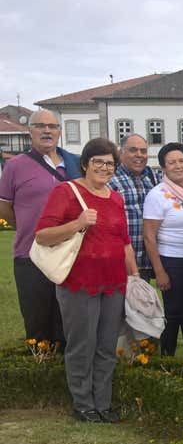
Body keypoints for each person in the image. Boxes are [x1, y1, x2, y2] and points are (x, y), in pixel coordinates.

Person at [35, 138, 138, 423]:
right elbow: (42, 235)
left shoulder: (115, 197)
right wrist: (77, 223)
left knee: (106, 345)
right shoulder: (66, 192)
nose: (105, 168)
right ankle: (83, 403)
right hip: (79, 283)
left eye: (110, 164)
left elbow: (124, 241)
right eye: (99, 162)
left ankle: (102, 402)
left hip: (114, 283)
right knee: (82, 343)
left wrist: (135, 275)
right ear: (85, 163)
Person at [0, 109, 80, 346]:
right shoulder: (16, 165)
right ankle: (39, 376)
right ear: (29, 130)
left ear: (59, 131)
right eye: (40, 126)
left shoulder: (75, 163)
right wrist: (28, 228)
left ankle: (68, 377)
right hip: (31, 255)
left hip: (71, 254)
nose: (47, 131)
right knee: (38, 323)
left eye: (52, 126)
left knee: (70, 323)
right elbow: (4, 206)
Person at [143, 142, 183, 360]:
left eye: (181, 161)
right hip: (173, 262)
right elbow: (149, 236)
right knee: (173, 314)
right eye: (172, 162)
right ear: (163, 168)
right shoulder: (157, 195)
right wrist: (160, 272)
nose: (178, 166)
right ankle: (166, 360)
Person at [108, 134, 160, 282]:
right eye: (133, 150)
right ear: (120, 153)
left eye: (143, 151)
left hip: (149, 262)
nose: (139, 155)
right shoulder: (111, 180)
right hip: (121, 262)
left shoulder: (154, 177)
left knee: (145, 303)